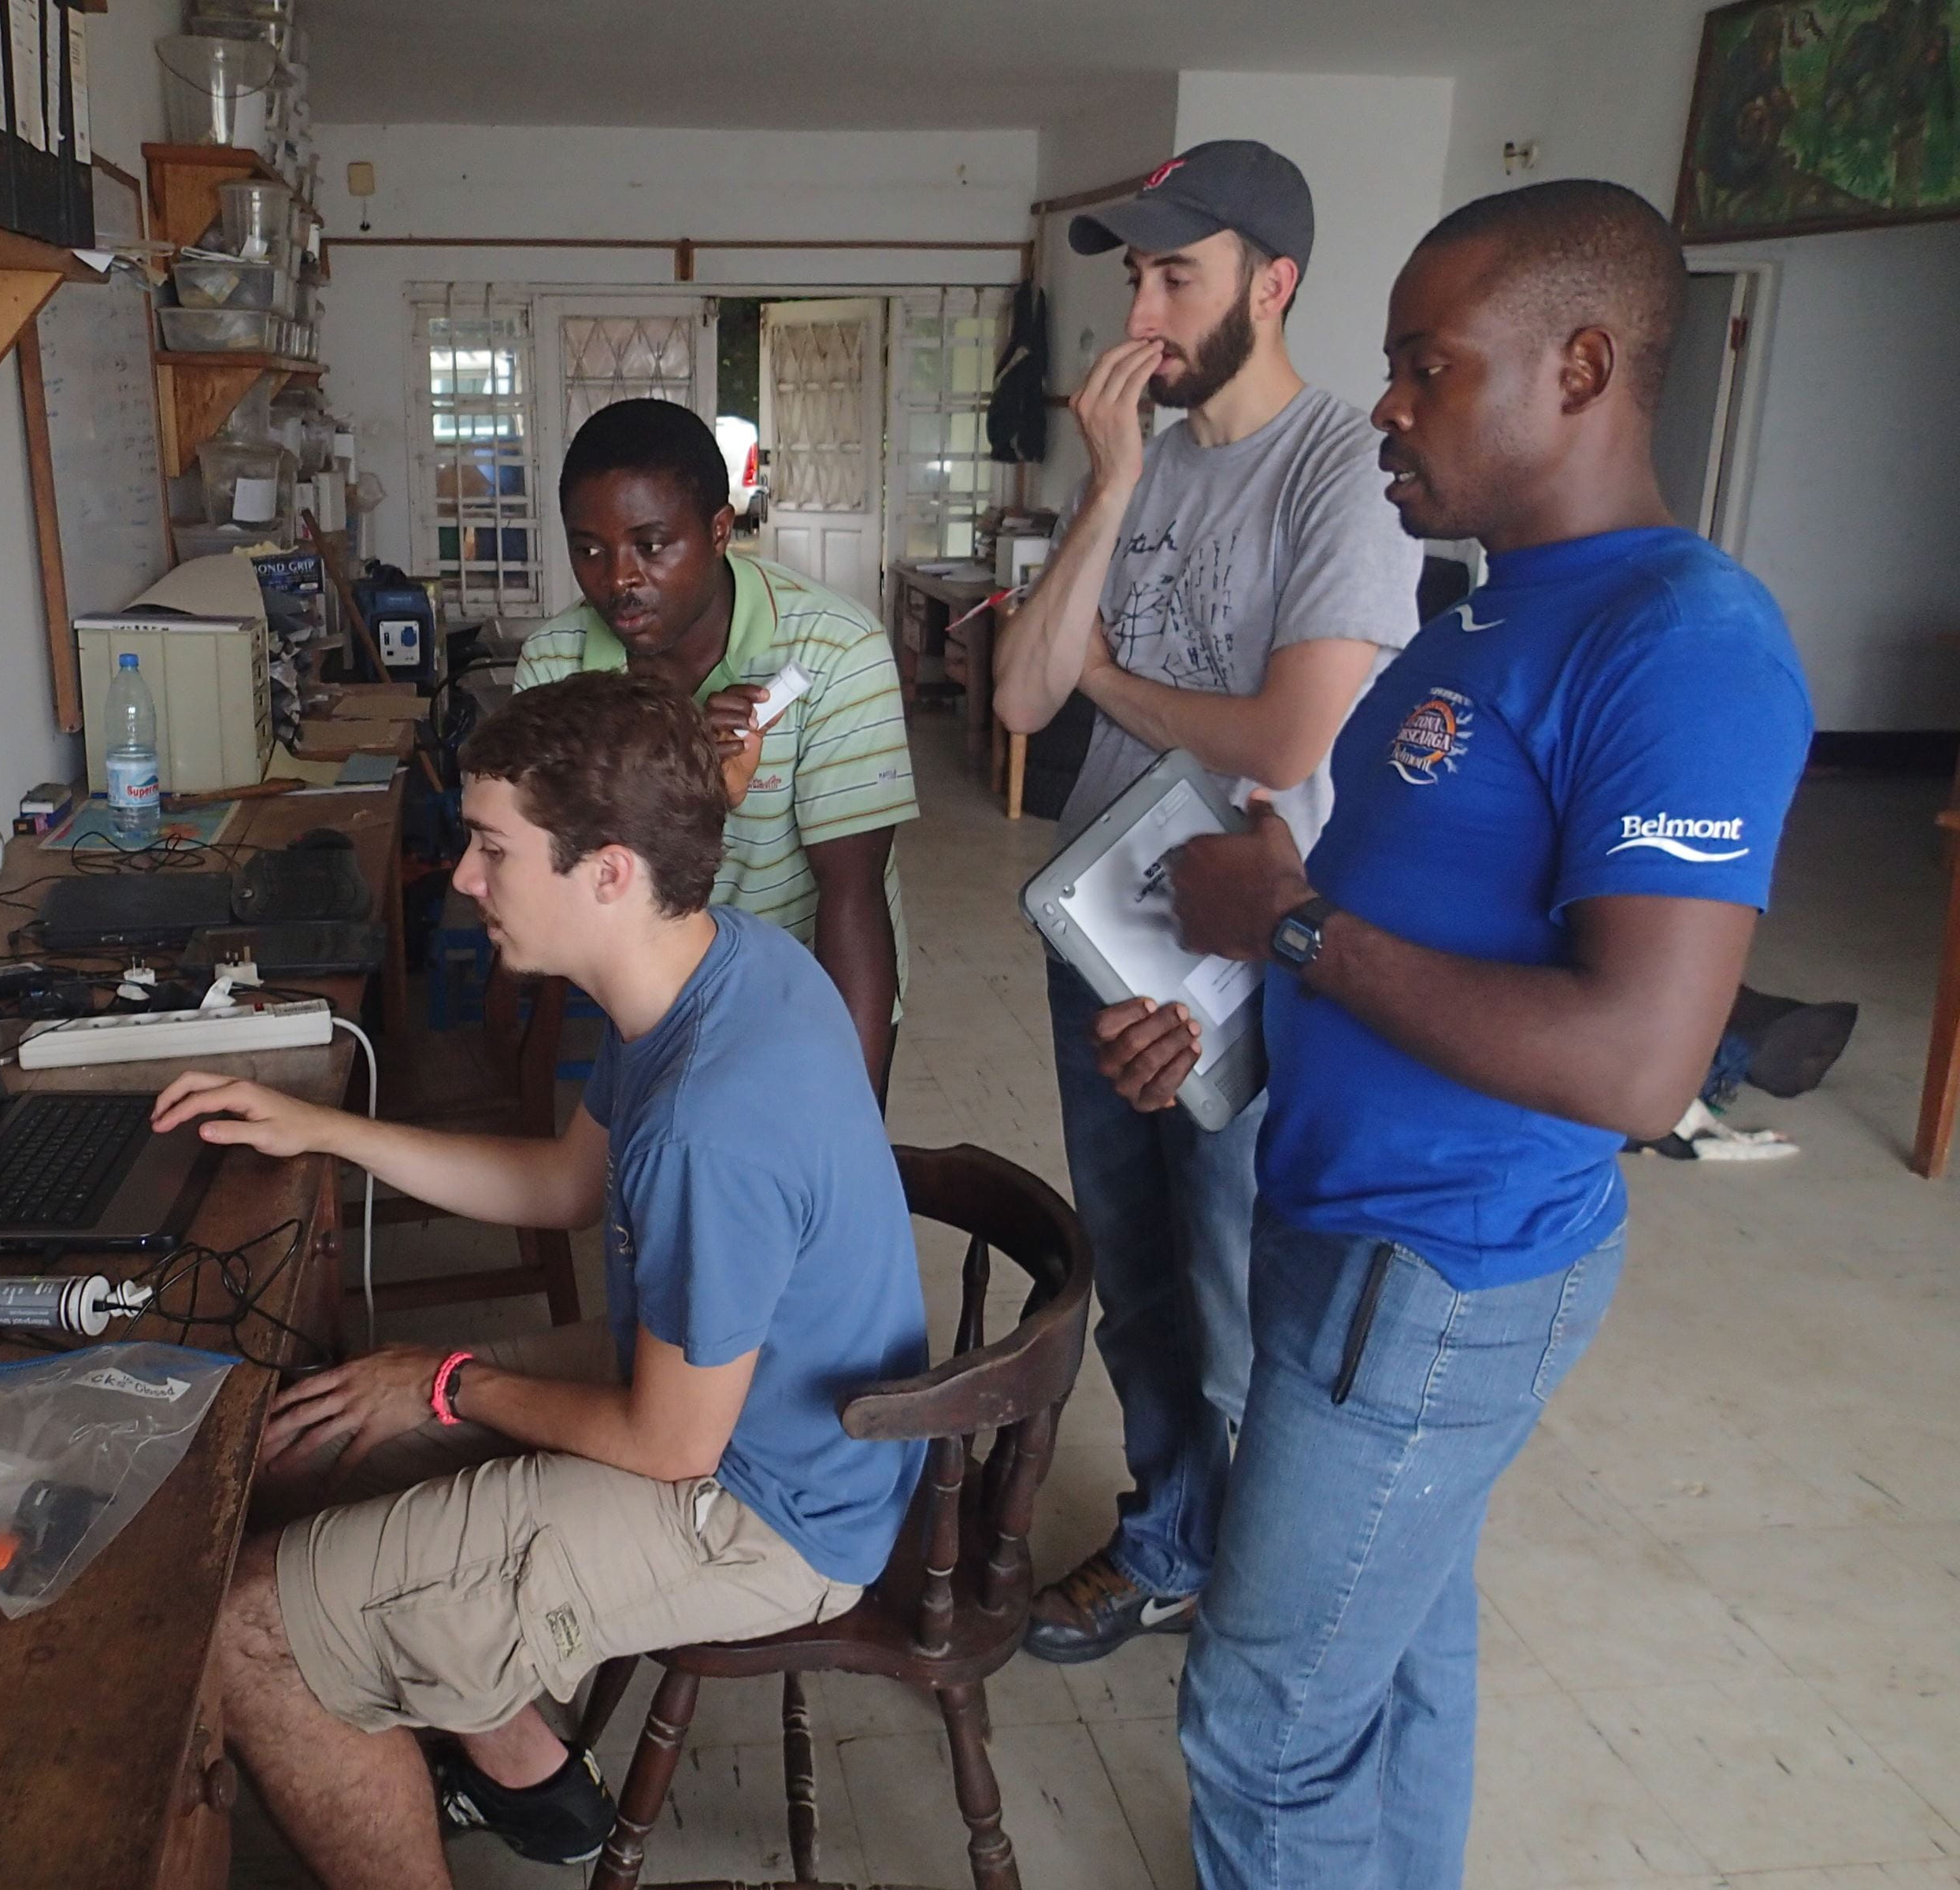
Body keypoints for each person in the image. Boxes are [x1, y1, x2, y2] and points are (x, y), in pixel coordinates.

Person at [1095, 180, 1812, 1884]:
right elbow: (1389, 933)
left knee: (1263, 1720)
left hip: (1441, 1262)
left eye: (1429, 366)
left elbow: (1638, 1066)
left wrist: (1287, 926)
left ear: (1581, 368)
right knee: (1402, 1647)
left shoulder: (1682, 643)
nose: (1388, 407)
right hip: (1335, 1215)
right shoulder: (1475, 620)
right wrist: (1226, 1015)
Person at [154, 670, 928, 1887]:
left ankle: (431, 1694)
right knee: (308, 1452)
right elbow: (566, 1184)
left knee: (256, 1630)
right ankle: (526, 1768)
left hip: (766, 1508)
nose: (463, 880)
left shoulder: (709, 1122)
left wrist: (445, 1382)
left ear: (609, 871)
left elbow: (670, 1445)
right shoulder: (720, 960)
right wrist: (325, 1131)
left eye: (492, 849)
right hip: (732, 1404)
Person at [991, 140, 1424, 1665]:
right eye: (1136, 275)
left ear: (1273, 283)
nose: (1143, 312)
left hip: (1240, 949)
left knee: (1234, 1278)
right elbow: (1020, 694)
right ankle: (1173, 1536)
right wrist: (1111, 486)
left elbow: (1287, 739)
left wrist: (1113, 680)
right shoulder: (1145, 462)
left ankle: (1261, 1583)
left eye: (1178, 275)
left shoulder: (1339, 472)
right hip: (1100, 931)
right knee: (1135, 1269)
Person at [514, 397, 917, 1098]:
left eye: (651, 545)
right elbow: (552, 873)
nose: (619, 579)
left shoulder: (836, 650)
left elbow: (852, 894)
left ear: (720, 530)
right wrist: (681, 763)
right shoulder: (555, 663)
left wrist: (847, 1107)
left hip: (807, 998)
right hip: (641, 1002)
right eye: (589, 550)